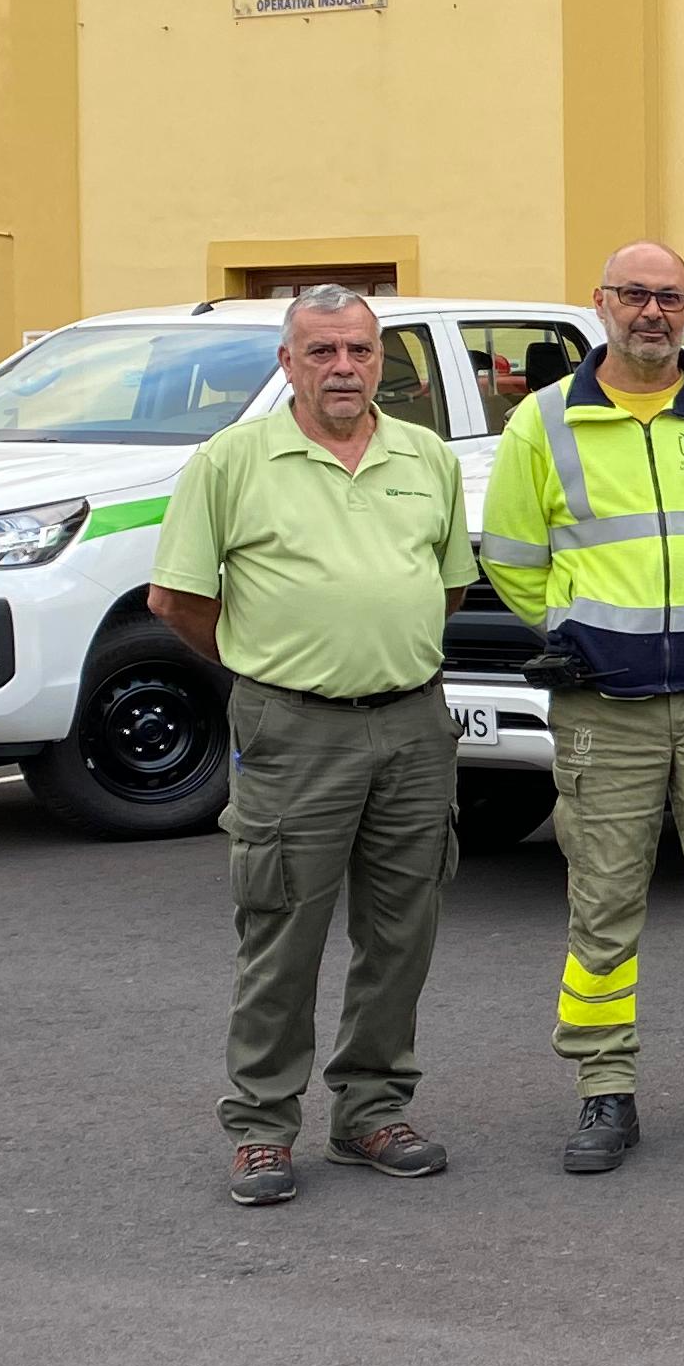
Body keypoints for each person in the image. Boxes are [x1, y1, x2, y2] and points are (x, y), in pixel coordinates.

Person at [480, 241, 684, 1174]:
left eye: (669, 297)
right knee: (604, 904)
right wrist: (580, 627)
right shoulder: (542, 424)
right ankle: (603, 1090)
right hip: (604, 704)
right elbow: (509, 556)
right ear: (601, 305)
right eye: (635, 295)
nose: (652, 312)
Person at [147, 285, 476, 1207]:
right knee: (283, 931)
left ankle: (372, 1110)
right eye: (323, 351)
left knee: (401, 930)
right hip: (292, 727)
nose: (344, 368)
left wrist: (379, 643)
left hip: (414, 724)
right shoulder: (232, 460)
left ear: (383, 363)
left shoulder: (427, 458)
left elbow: (446, 587)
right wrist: (273, 667)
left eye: (361, 352)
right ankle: (261, 1126)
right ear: (287, 363)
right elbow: (175, 600)